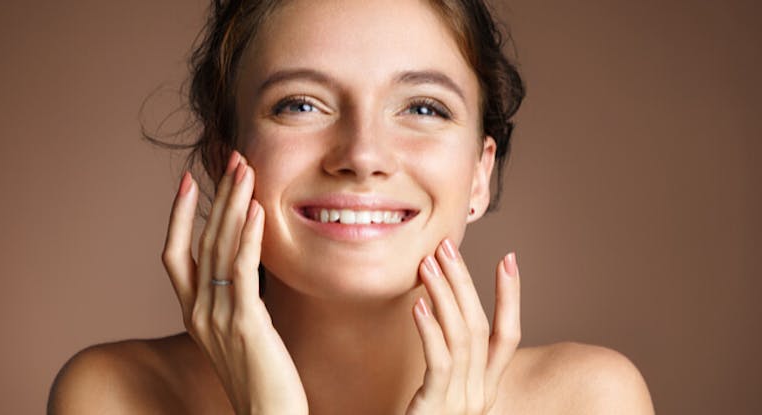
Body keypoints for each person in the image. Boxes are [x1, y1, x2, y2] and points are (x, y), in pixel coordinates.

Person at [48, 0, 655, 413]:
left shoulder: (590, 401)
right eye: (301, 105)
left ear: (479, 175)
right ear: (221, 156)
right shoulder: (116, 397)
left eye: (423, 107)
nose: (363, 154)